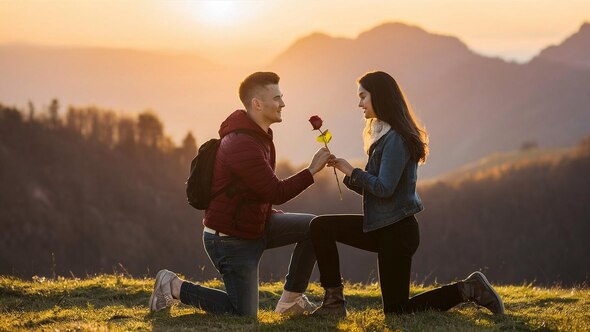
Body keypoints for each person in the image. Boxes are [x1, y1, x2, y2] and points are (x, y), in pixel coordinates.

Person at [310, 71, 504, 316]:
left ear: (378, 96)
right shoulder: (382, 134)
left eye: (363, 97)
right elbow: (376, 189)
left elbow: (384, 188)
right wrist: (346, 173)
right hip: (380, 226)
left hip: (397, 233)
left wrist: (353, 171)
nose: (359, 104)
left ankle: (469, 289)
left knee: (397, 311)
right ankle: (334, 303)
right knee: (320, 227)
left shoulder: (396, 139)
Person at [149, 72, 331, 317]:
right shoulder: (242, 144)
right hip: (230, 240)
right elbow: (275, 191)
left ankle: (291, 301)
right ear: (257, 103)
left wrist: (266, 212)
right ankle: (172, 286)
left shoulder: (259, 135)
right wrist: (311, 171)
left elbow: (254, 190)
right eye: (277, 98)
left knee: (316, 227)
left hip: (255, 225)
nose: (283, 104)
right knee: (243, 315)